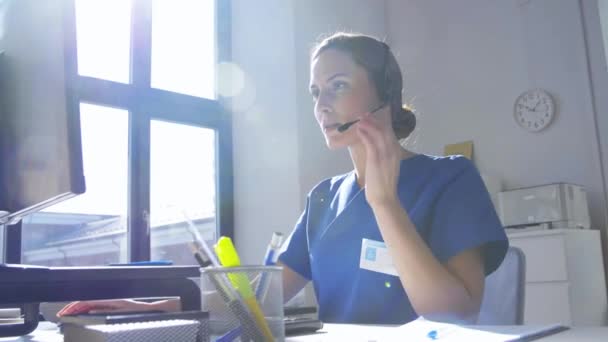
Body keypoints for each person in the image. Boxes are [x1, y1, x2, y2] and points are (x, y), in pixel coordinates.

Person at [58, 32, 508, 325]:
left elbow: (453, 313)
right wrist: (153, 310)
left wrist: (385, 203)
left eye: (337, 86)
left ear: (385, 96)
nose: (321, 105)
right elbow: (253, 302)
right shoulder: (322, 199)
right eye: (316, 92)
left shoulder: (450, 179)